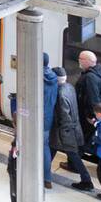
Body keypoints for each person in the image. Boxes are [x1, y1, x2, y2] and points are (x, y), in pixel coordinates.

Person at [50, 67, 95, 191]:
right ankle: (43, 173)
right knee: (53, 149)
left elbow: (64, 117)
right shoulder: (69, 87)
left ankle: (87, 181)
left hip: (66, 132)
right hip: (74, 128)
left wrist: (64, 134)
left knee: (73, 155)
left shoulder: (60, 94)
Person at [74, 50, 101, 160]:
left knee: (81, 140)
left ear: (88, 61)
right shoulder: (100, 72)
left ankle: (74, 164)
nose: (79, 61)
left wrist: (91, 116)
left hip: (87, 116)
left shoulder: (90, 77)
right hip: (96, 114)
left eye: (81, 59)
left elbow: (92, 98)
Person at [42, 52, 59, 187]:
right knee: (45, 147)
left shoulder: (38, 78)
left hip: (36, 120)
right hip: (48, 118)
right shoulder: (53, 78)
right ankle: (47, 178)